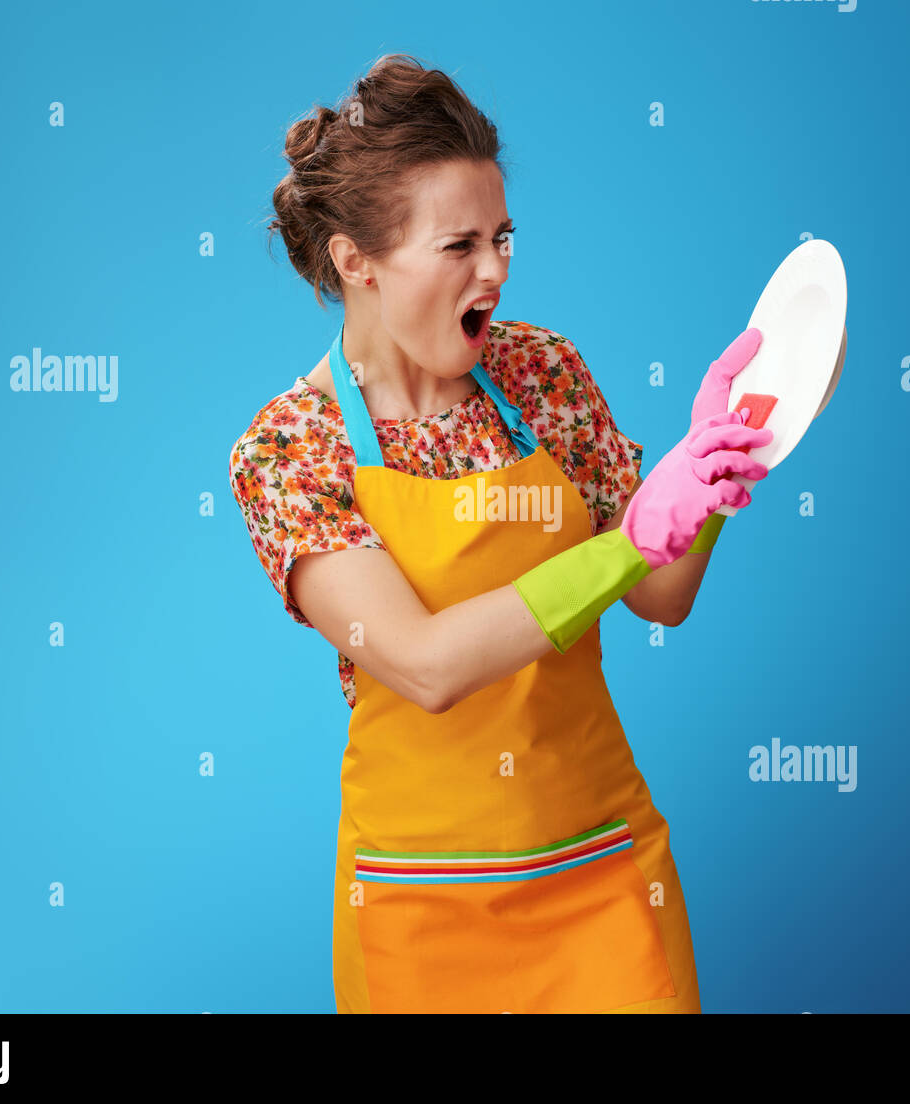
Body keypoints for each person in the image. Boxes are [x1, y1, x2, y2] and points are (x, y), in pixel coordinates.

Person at [228, 53, 772, 1014]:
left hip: (605, 874)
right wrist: (630, 541)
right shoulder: (290, 449)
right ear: (357, 261)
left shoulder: (542, 373)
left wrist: (707, 475)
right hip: (418, 911)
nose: (497, 270)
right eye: (459, 246)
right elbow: (427, 666)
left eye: (504, 237)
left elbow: (663, 598)